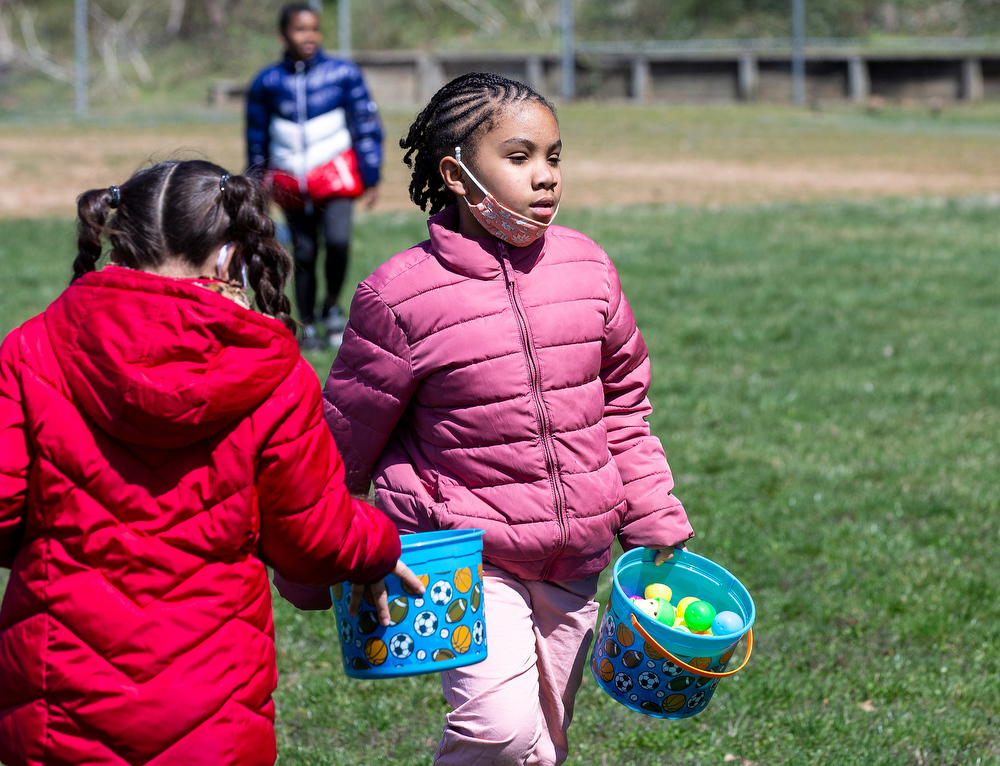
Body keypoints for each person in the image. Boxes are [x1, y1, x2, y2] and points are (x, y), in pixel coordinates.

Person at [321, 73, 695, 766]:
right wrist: (318, 559)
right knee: (499, 732)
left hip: (575, 558)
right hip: (466, 558)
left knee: (543, 747)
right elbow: (343, 438)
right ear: (455, 174)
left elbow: (623, 408)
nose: (545, 175)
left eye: (553, 157)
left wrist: (653, 519)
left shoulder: (589, 269)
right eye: (519, 157)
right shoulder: (399, 296)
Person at [0, 160, 421, 766]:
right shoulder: (272, 370)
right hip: (211, 707)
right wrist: (377, 544)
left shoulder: (31, 348)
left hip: (57, 698)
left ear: (118, 240)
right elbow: (315, 538)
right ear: (230, 257)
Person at [246, 2, 383, 352]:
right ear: (283, 34)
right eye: (300, 29)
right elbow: (256, 136)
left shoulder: (343, 74)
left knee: (337, 242)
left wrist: (371, 174)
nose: (308, 36)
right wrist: (257, 181)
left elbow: (365, 125)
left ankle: (331, 306)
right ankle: (305, 324)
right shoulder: (267, 82)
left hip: (336, 178)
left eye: (314, 29)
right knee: (303, 253)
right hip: (290, 182)